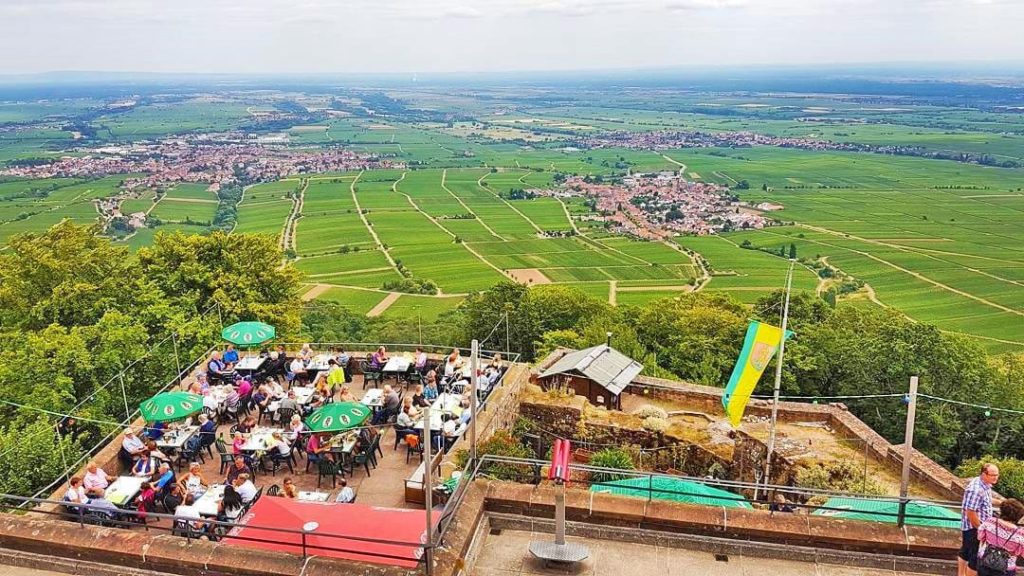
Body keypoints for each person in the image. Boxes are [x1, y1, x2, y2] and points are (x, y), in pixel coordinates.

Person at [963, 463, 1003, 576]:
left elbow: (986, 500)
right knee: (974, 560)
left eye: (997, 475)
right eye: (993, 475)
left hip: (977, 528)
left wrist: (1002, 503)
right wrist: (980, 529)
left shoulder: (984, 484)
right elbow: (970, 512)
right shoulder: (976, 489)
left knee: (969, 555)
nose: (996, 477)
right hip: (974, 528)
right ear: (984, 474)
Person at [976, 498, 1024, 576]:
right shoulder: (1020, 533)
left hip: (984, 560)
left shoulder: (990, 522)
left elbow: (980, 537)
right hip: (1006, 568)